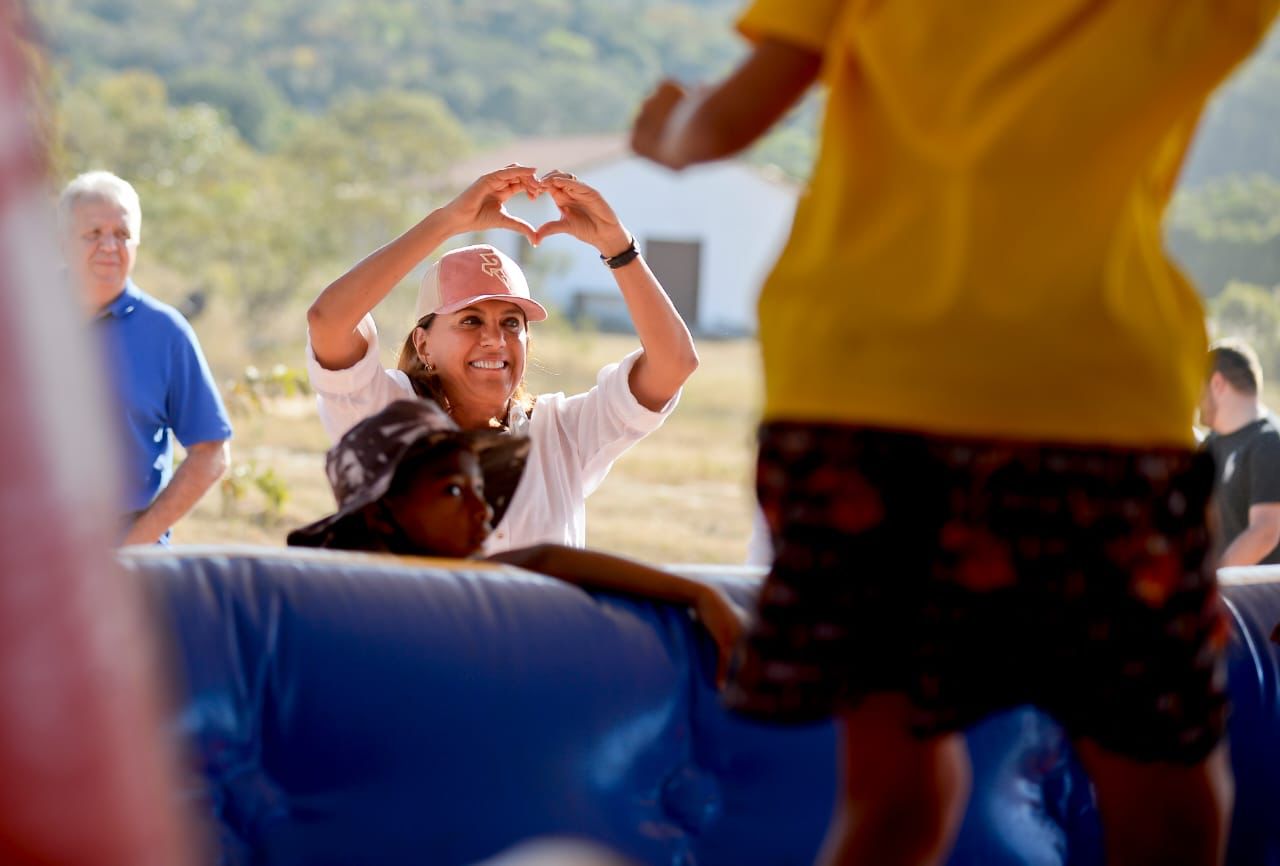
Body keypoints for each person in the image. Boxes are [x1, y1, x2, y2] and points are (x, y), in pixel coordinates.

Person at [631, 3, 1278, 865]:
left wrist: (663, 123)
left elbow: (718, 123)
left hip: (861, 394)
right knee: (1164, 797)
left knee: (892, 799)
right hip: (1090, 399)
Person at [305, 166, 698, 554]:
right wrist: (447, 222)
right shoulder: (386, 416)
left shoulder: (561, 434)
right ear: (424, 345)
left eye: (511, 322)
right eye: (470, 321)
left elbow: (674, 363)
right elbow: (329, 321)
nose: (495, 339)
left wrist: (617, 244)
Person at [287, 399, 743, 683]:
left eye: (480, 489)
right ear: (382, 516)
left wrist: (699, 595)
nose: (482, 510)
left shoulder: (467, 582)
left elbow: (544, 559)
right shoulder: (346, 596)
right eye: (452, 491)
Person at [58, 171, 232, 545]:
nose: (109, 246)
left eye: (122, 234)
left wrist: (135, 546)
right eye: (93, 234)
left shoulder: (166, 332)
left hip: (130, 564)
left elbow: (211, 453)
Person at [1200, 339, 1280, 567]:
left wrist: (1214, 580)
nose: (1197, 400)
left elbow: (1265, 532)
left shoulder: (1269, 442)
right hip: (1225, 598)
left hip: (1259, 600)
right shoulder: (1211, 443)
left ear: (1217, 384)